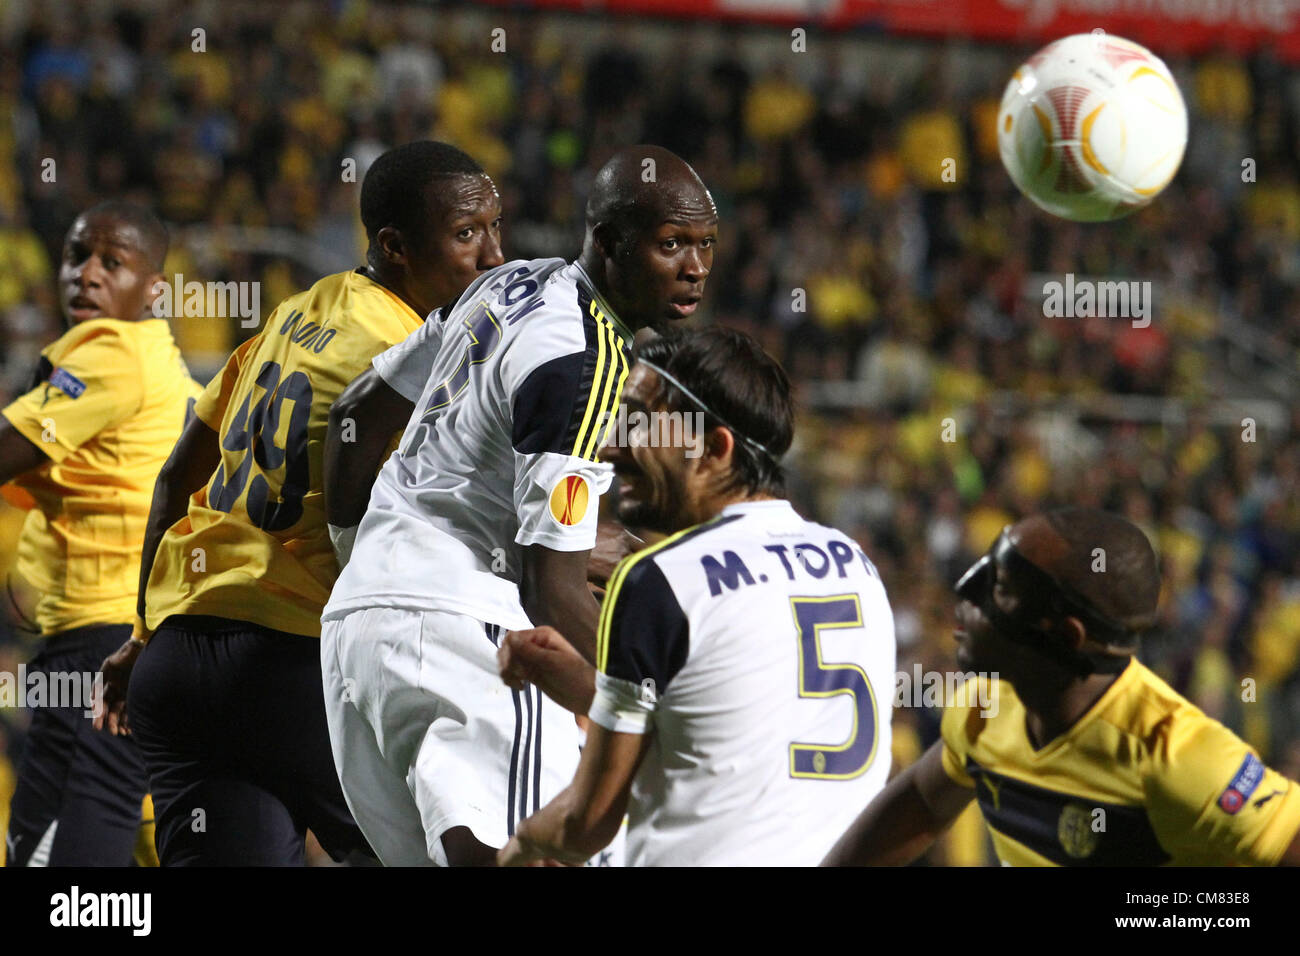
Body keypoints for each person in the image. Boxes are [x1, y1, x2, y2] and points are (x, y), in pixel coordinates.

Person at [94, 141, 505, 865]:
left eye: (496, 230)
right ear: (396, 246)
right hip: (296, 665)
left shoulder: (293, 314)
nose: (493, 257)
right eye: (469, 234)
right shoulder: (418, 359)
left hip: (180, 664)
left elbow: (173, 484)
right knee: (448, 849)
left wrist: (141, 630)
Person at [319, 145, 717, 866]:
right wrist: (666, 699)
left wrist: (367, 563)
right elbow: (551, 587)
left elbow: (355, 419)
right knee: (538, 856)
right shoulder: (585, 360)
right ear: (609, 243)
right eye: (670, 245)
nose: (693, 267)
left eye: (704, 246)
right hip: (465, 634)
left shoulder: (506, 287)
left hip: (357, 632)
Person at [496, 327, 897, 867]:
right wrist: (587, 682)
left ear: (713, 448)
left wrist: (520, 846)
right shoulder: (858, 567)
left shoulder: (661, 580)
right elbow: (726, 730)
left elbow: (583, 825)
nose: (611, 444)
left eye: (638, 422)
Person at [823, 508, 1300, 867]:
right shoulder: (984, 707)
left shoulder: (1180, 756)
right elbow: (922, 807)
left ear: (1065, 634)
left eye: (1002, 586)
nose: (967, 592)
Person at [0, 201, 198, 865]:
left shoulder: (113, 353)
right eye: (76, 255)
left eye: (112, 263)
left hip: (103, 640)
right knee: (72, 842)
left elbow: (10, 449)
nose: (86, 274)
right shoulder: (157, 357)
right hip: (120, 634)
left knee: (71, 864)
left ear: (155, 288)